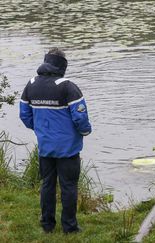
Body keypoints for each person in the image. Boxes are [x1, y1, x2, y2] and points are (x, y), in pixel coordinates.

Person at [20, 47, 92, 233]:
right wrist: (85, 131)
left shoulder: (31, 84)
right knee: (68, 187)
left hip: (45, 147)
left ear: (46, 61)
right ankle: (70, 227)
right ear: (62, 65)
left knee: (47, 185)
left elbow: (24, 114)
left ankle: (47, 225)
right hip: (68, 149)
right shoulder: (67, 86)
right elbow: (80, 117)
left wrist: (39, 129)